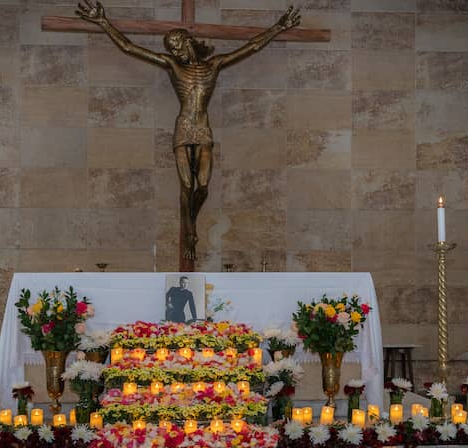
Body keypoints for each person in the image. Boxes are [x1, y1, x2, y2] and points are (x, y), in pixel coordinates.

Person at [76, 1, 300, 266]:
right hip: (183, 127)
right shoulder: (173, 66)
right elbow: (129, 47)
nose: (174, 51)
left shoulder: (214, 65)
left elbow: (250, 47)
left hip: (203, 128)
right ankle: (190, 231)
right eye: (170, 48)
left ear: (188, 42)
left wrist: (277, 27)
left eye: (176, 46)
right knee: (186, 185)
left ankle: (190, 220)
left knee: (202, 185)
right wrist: (103, 22)